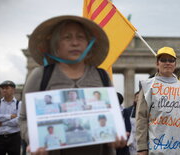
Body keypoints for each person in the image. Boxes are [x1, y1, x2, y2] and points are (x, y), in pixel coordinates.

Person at [19, 15, 126, 155]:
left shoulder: (102, 76)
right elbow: (23, 119)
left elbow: (113, 116)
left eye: (80, 37)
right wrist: (33, 139)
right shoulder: (40, 76)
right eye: (67, 37)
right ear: (56, 45)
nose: (75, 43)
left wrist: (117, 135)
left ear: (89, 43)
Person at [136, 47, 180, 155]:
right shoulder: (148, 87)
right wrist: (141, 148)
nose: (167, 63)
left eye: (171, 60)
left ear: (175, 64)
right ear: (157, 64)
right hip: (158, 148)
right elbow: (141, 118)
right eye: (163, 60)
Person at [0, 80, 21, 155]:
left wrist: (2, 123)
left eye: (7, 88)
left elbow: (18, 121)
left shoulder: (19, 104)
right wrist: (10, 116)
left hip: (14, 138)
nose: (4, 90)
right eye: (2, 88)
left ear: (13, 90)